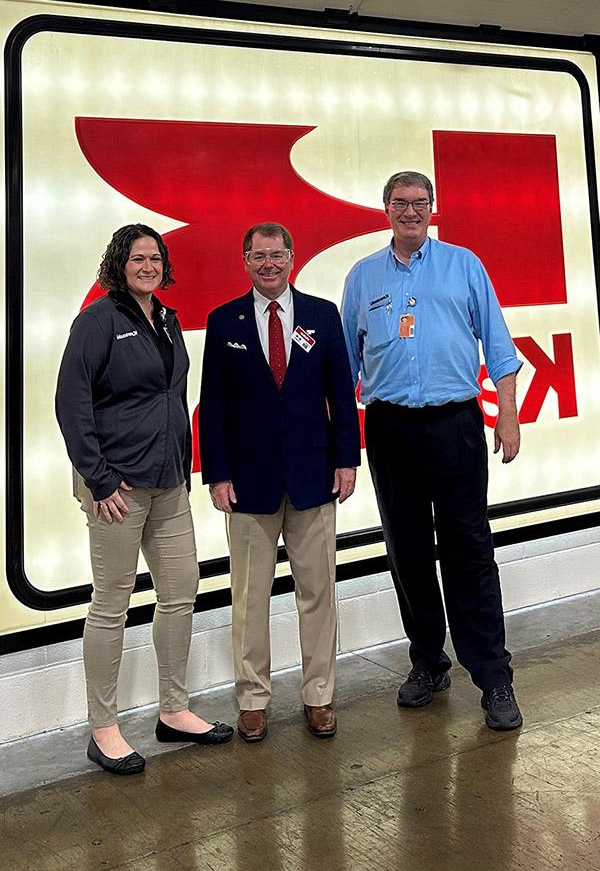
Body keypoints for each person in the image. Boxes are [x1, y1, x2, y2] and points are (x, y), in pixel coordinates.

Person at [341, 172, 524, 731]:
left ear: (433, 208)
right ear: (385, 208)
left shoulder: (464, 264)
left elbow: (499, 346)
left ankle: (493, 677)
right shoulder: (363, 276)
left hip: (456, 426)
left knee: (469, 548)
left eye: (420, 203)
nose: (411, 212)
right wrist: (339, 442)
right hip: (391, 429)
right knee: (409, 551)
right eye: (401, 203)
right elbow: (344, 365)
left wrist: (509, 416)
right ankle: (428, 662)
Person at [56, 223, 233, 775]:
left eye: (155, 258)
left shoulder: (166, 319)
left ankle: (174, 711)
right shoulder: (97, 322)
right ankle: (103, 728)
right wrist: (100, 479)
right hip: (117, 488)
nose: (148, 267)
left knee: (181, 593)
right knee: (111, 606)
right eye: (137, 259)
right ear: (119, 263)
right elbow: (71, 404)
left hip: (167, 482)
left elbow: (172, 398)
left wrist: (182, 465)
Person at [199, 222, 360, 742]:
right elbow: (214, 407)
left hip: (315, 477)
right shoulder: (224, 322)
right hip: (248, 484)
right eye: (258, 255)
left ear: (292, 256)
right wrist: (217, 473)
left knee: (319, 593)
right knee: (250, 597)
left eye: (277, 254)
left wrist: (347, 460)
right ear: (245, 260)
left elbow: (341, 392)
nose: (269, 263)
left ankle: (319, 697)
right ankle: (252, 699)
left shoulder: (321, 315)